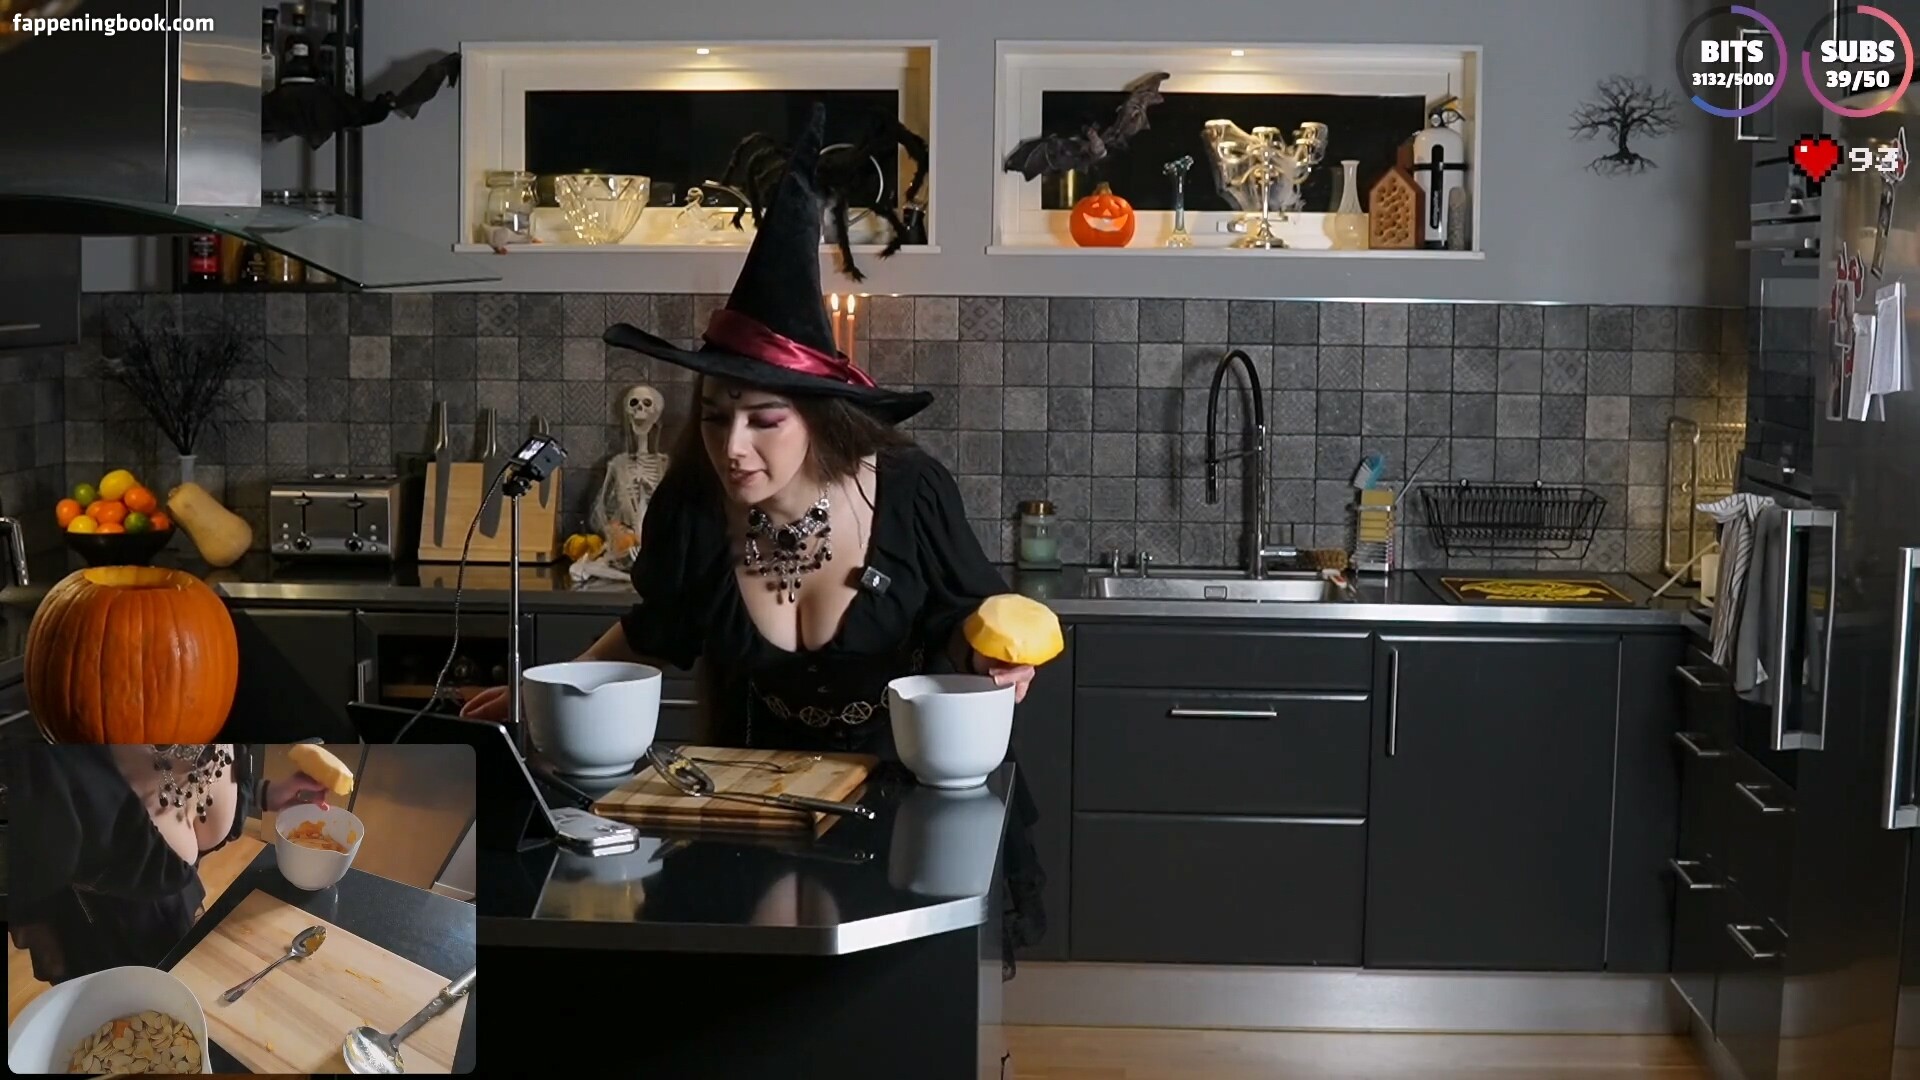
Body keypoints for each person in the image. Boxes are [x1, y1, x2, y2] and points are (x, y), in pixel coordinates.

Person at [461, 102, 1048, 963]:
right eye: (714, 417)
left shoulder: (909, 491)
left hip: (903, 805)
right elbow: (657, 629)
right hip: (747, 807)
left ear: (818, 415)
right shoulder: (695, 505)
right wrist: (542, 695)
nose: (732, 447)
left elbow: (967, 620)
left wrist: (999, 663)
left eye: (764, 420)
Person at [7, 743, 333, 984]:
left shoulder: (222, 701)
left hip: (176, 916)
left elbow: (204, 796)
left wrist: (266, 794)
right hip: (108, 952)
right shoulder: (48, 764)